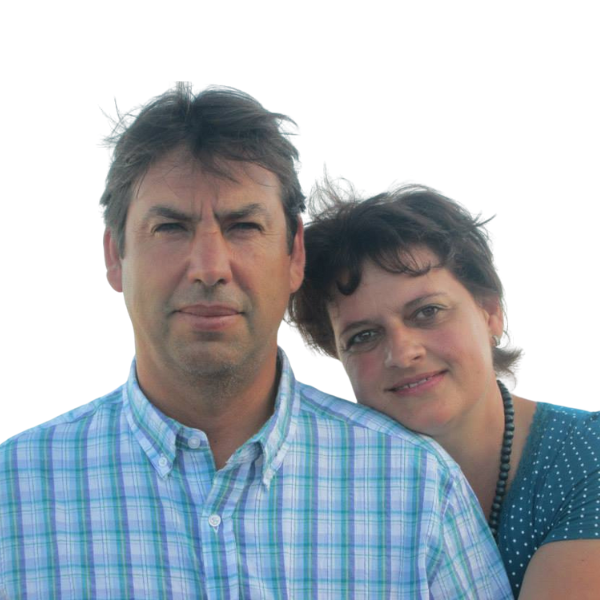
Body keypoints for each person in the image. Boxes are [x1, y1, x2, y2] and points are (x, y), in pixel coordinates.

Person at [0, 86, 511, 599]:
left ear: (295, 254)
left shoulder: (418, 488)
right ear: (115, 255)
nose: (209, 268)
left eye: (243, 226)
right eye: (170, 227)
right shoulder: (13, 495)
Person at [289, 181, 600, 598]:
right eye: (363, 336)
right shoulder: (329, 496)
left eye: (427, 312)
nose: (403, 353)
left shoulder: (588, 457)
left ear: (491, 313)